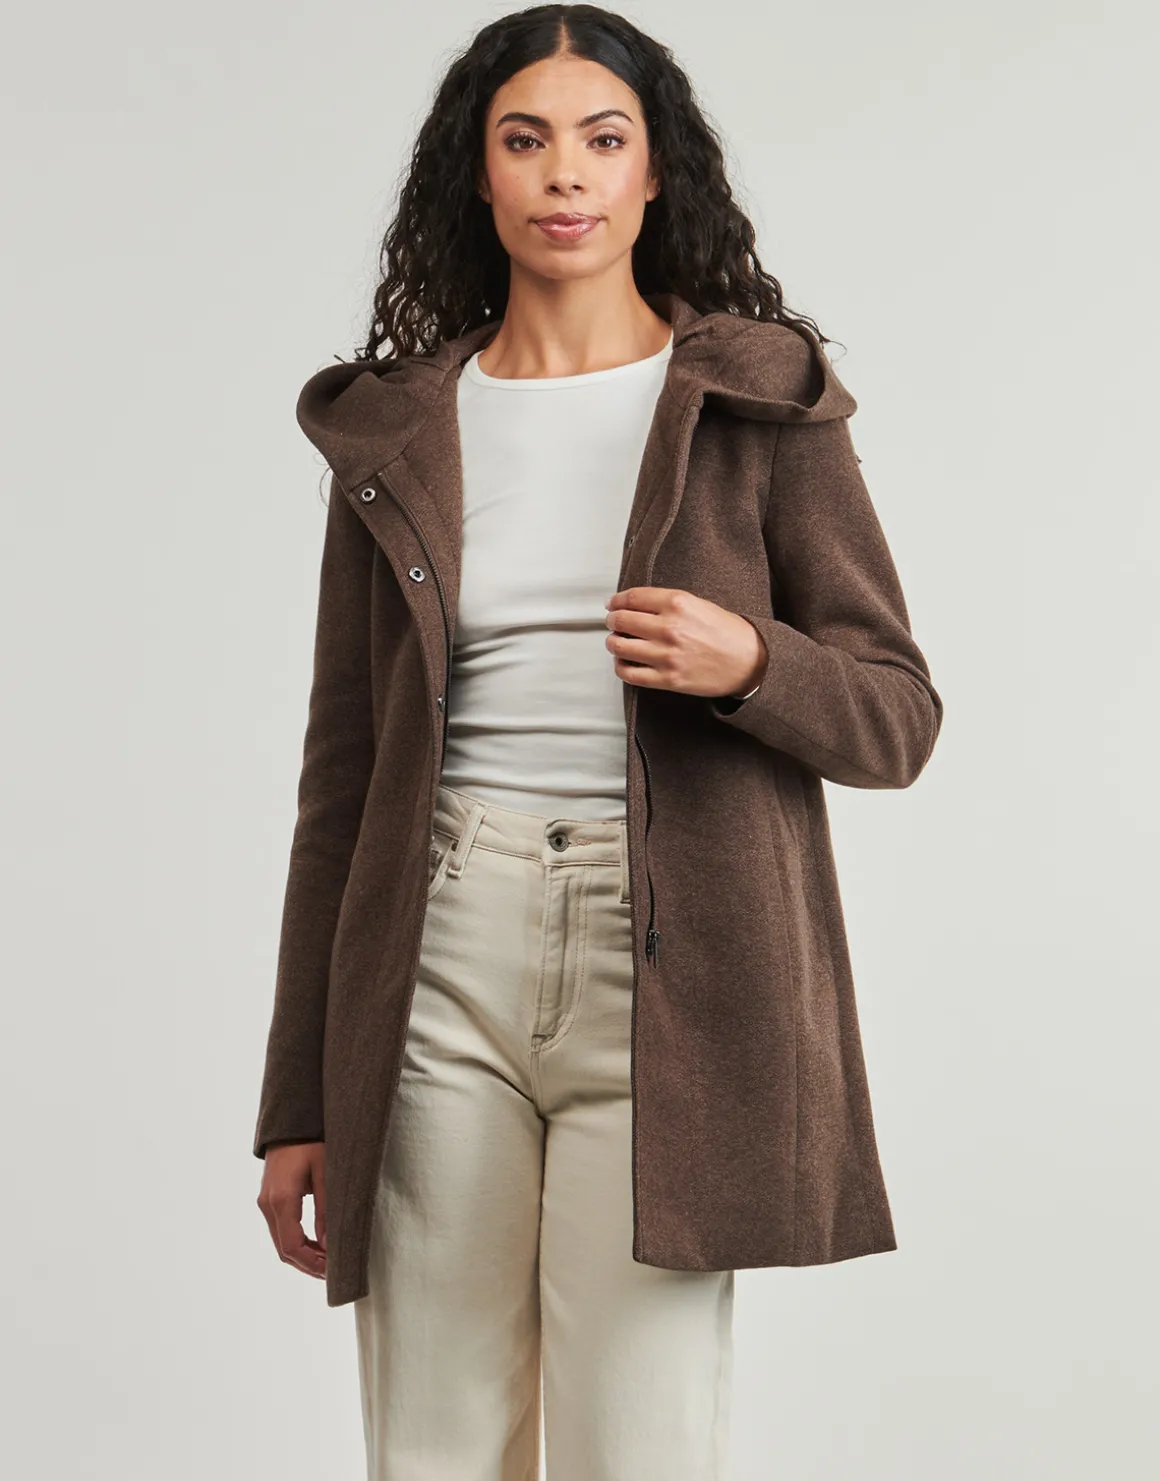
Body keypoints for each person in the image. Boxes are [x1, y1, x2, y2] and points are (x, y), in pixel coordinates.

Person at [253, 5, 944, 1478]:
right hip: (437, 947)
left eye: (603, 138)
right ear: (479, 175)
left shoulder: (755, 402)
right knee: (432, 1444)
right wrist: (300, 1094)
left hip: (673, 957)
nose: (565, 172)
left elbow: (897, 715)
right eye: (525, 139)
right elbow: (340, 784)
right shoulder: (401, 431)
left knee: (641, 1444)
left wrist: (749, 661)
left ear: (653, 173)